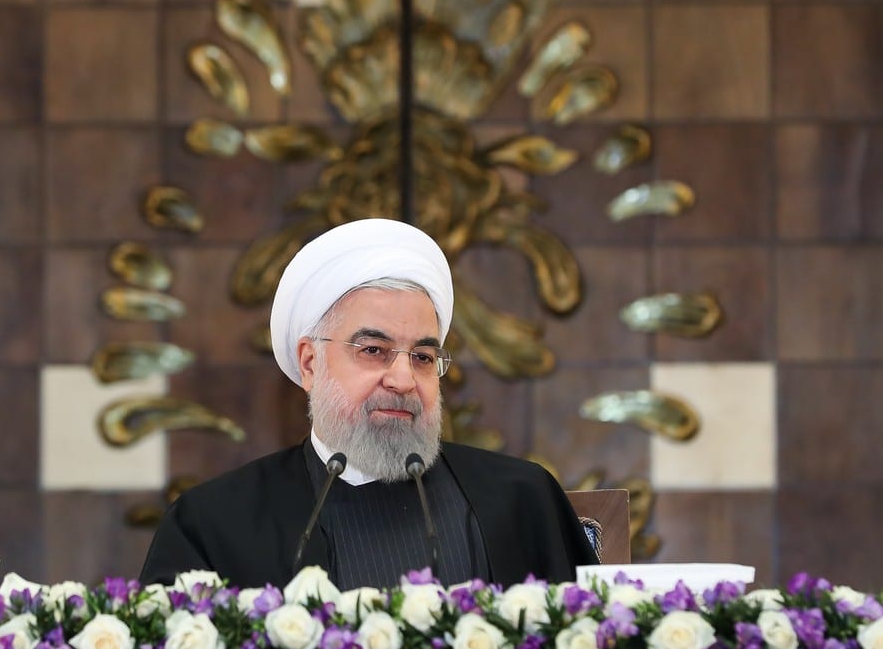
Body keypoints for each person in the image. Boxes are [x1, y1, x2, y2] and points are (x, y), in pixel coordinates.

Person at [139, 218, 598, 589]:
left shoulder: (520, 500)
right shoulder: (215, 524)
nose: (402, 379)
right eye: (373, 350)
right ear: (310, 363)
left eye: (422, 356)